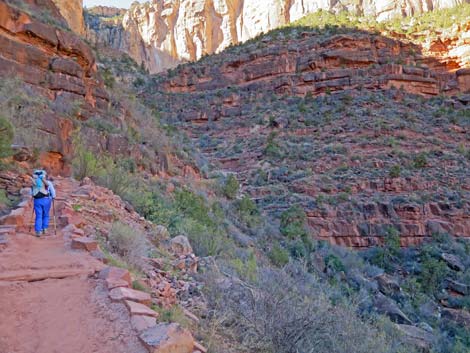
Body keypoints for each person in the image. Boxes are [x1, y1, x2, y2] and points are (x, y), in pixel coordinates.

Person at [31, 169, 56, 237]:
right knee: (46, 215)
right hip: (46, 200)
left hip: (37, 200)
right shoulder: (47, 182)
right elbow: (52, 191)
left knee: (38, 215)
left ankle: (38, 231)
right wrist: (53, 197)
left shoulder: (34, 182)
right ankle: (44, 228)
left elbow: (31, 193)